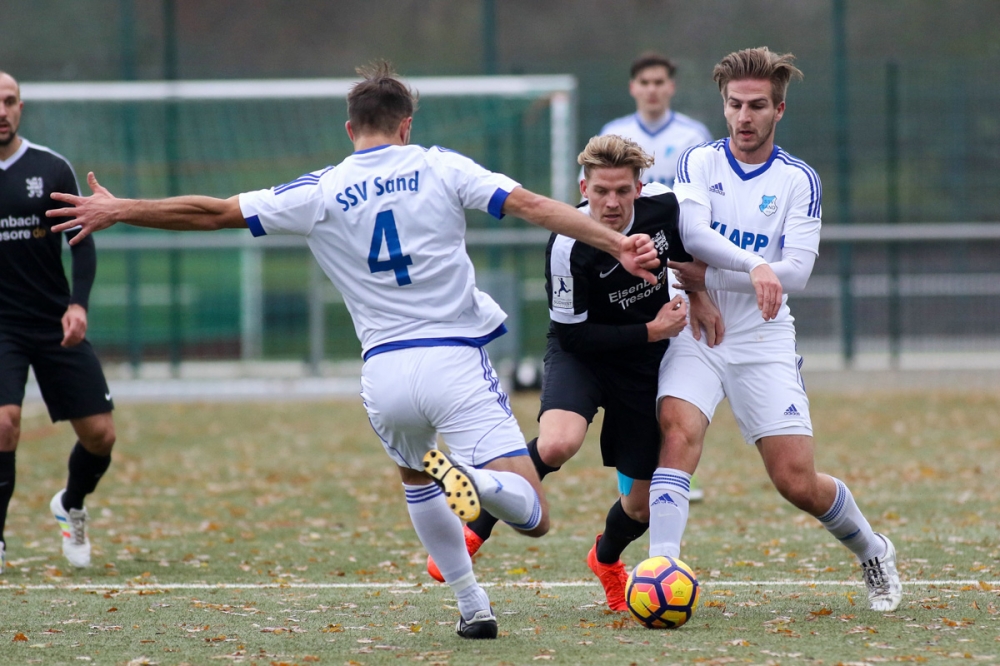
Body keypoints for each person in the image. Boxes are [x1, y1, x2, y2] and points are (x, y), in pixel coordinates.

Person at [48, 62, 663, 639]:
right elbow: (531, 206)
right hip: (452, 358)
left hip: (384, 375)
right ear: (406, 124)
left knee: (415, 478)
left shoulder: (321, 188)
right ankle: (473, 476)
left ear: (350, 129)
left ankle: (473, 607)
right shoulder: (440, 164)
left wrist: (123, 207)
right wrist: (613, 241)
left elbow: (213, 212)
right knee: (532, 512)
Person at [426, 134, 783, 611]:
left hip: (642, 366)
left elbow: (692, 252)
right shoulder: (566, 246)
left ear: (639, 186)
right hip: (585, 355)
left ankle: (607, 559)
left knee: (640, 506)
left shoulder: (665, 209)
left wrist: (697, 296)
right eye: (600, 192)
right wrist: (653, 331)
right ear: (583, 187)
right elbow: (573, 337)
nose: (611, 203)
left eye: (621, 190)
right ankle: (478, 526)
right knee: (558, 442)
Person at [654, 47, 903, 611]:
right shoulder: (698, 161)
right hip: (696, 327)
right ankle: (662, 567)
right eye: (735, 105)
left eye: (757, 106)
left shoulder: (799, 180)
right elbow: (690, 235)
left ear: (780, 110)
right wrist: (751, 266)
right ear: (723, 107)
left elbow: (799, 273)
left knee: (795, 479)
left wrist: (732, 276)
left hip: (763, 336)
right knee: (677, 433)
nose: (745, 116)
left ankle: (872, 548)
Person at [0, 71, 117, 575]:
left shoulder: (50, 169)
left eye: (8, 101)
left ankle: (70, 504)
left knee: (100, 436)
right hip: (1, 328)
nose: (1, 110)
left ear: (20, 108)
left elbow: (82, 240)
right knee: (3, 423)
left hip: (52, 320)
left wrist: (78, 305)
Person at [596, 52, 712, 189]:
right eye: (644, 83)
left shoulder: (694, 136)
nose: (651, 90)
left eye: (659, 82)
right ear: (632, 87)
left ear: (671, 87)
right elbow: (592, 194)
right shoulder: (612, 135)